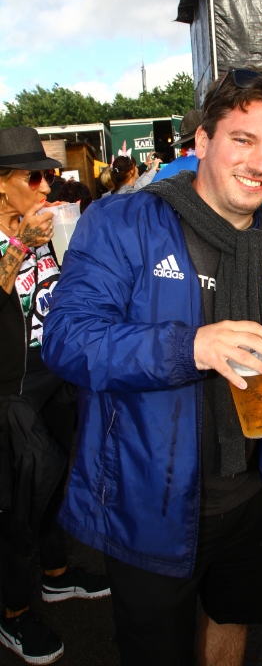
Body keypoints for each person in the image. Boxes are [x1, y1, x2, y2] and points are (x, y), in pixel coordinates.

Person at [42, 67, 262, 666]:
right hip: (149, 501)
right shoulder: (123, 223)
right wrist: (191, 347)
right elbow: (67, 340)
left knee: (232, 618)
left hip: (252, 493)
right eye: (242, 140)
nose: (260, 162)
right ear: (202, 141)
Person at [0, 127, 109, 666]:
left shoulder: (47, 222)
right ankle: (12, 613)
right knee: (17, 498)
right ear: (1, 184)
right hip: (11, 385)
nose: (47, 186)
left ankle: (56, 575)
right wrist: (21, 245)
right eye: (34, 177)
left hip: (55, 372)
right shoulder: (19, 235)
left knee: (54, 479)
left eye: (49, 175)